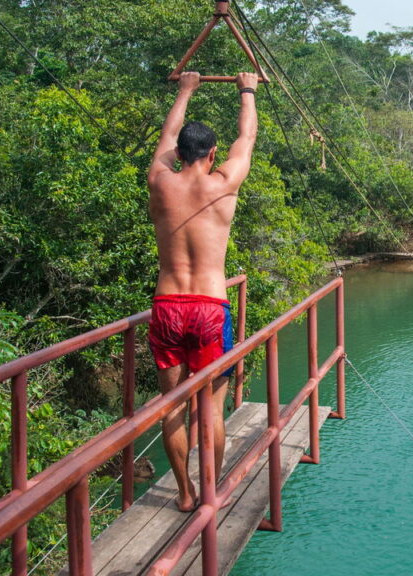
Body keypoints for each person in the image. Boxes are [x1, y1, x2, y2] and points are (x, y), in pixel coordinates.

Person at [147, 70, 258, 512]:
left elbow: (168, 133)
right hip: (211, 306)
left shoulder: (160, 181)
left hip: (167, 306)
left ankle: (185, 494)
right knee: (210, 407)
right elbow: (246, 137)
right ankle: (211, 490)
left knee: (171, 405)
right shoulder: (224, 182)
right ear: (213, 153)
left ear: (179, 154)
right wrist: (246, 89)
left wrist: (185, 89)